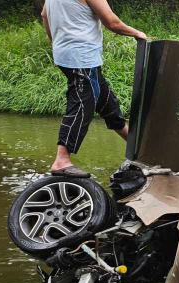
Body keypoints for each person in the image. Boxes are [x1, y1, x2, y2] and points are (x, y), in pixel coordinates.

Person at [41, 0, 146, 178]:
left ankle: (138, 148)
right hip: (82, 57)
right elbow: (112, 22)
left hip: (68, 54)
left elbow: (45, 14)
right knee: (83, 103)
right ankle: (61, 160)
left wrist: (57, 42)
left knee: (105, 101)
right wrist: (138, 33)